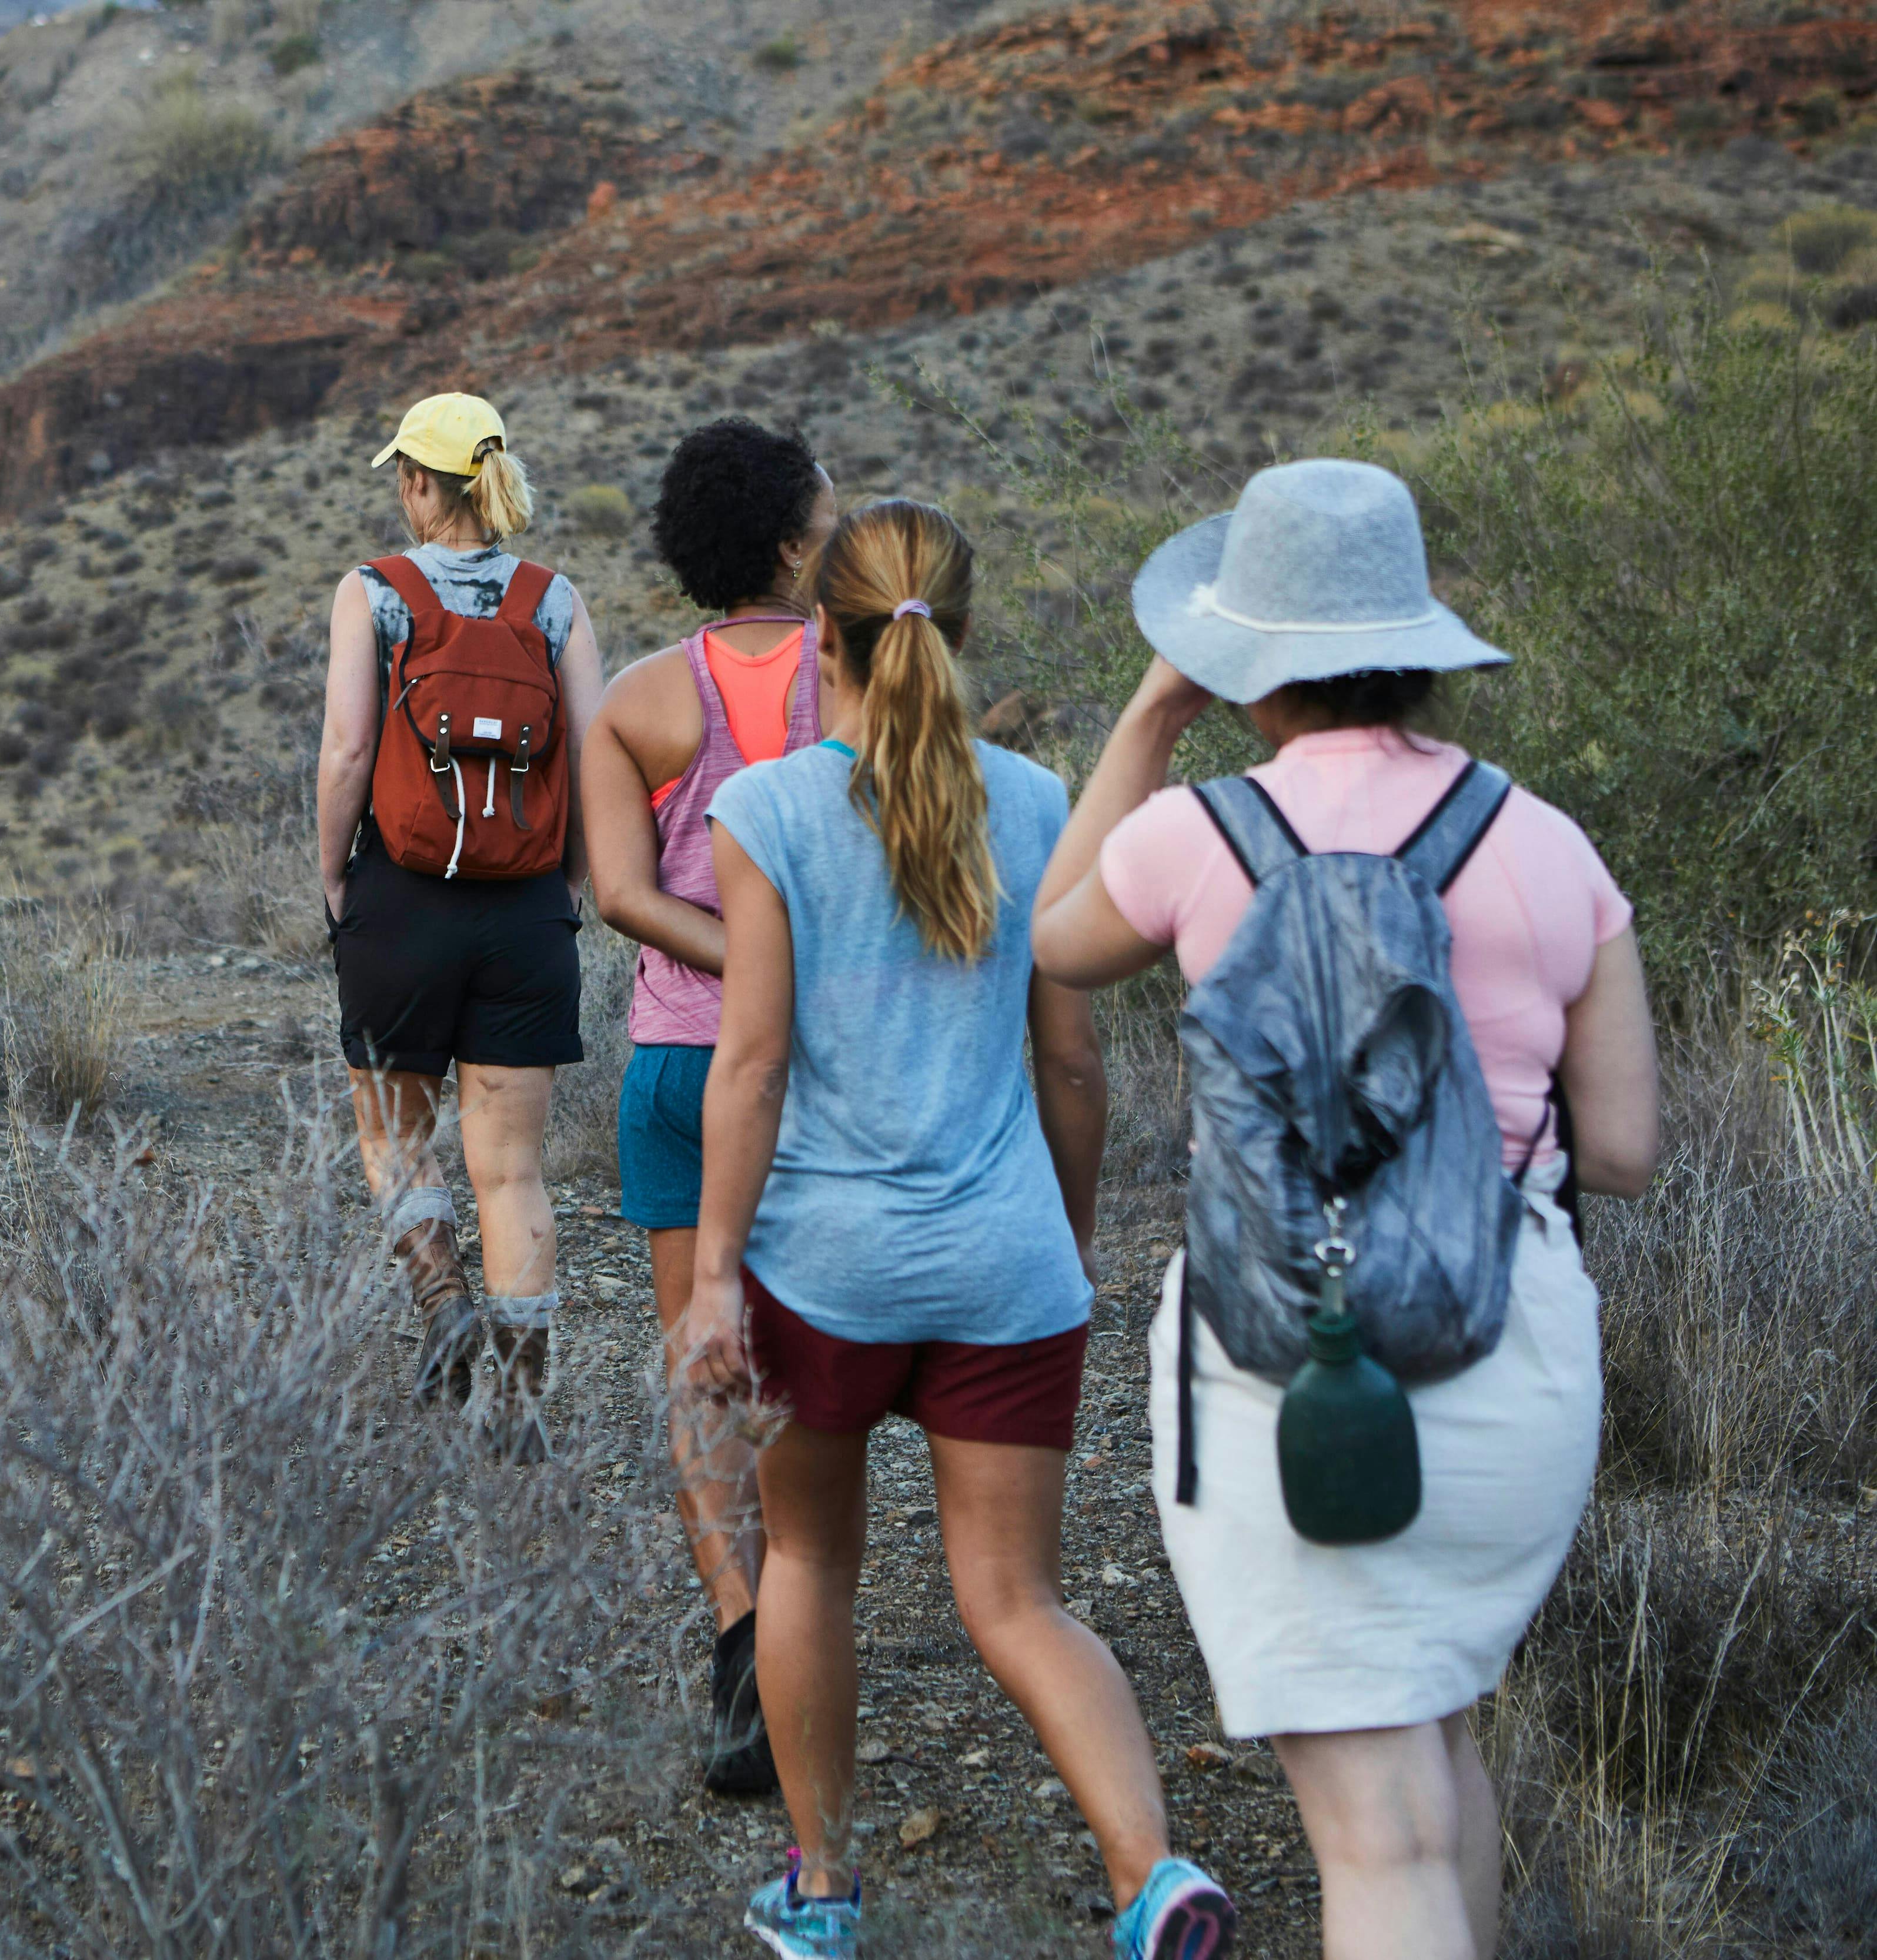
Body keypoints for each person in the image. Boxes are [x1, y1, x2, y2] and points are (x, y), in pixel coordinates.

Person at [1031, 459, 1660, 1960]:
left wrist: (1148, 716)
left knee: (1375, 1835)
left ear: (1249, 659)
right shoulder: (1550, 841)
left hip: (1284, 1367)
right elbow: (1625, 1147)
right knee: (1435, 1764)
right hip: (1507, 1351)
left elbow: (1053, 939)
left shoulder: (1202, 834)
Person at [676, 498, 1234, 1960]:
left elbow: (750, 1063)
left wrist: (715, 1275)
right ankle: (1151, 1876)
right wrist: (1057, 1238)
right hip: (1003, 1265)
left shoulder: (769, 810)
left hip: (826, 1271)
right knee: (1019, 1598)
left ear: (822, 644)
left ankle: (824, 1890)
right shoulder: (1044, 803)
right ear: (963, 637)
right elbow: (1073, 1060)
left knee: (808, 1566)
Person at [581, 417, 835, 1797]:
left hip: (676, 1065)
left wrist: (722, 952)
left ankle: (739, 1634)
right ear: (792, 543)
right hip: (809, 1072)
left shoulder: (634, 699)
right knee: (801, 1363)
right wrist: (787, 961)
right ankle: (803, 1624)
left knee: (700, 1358)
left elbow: (617, 894)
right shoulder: (859, 680)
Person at [317, 392, 607, 1463]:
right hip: (526, 913)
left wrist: (335, 879)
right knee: (514, 1171)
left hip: (402, 898)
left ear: (419, 484)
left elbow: (348, 754)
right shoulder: (554, 600)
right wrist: (567, 887)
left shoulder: (374, 593)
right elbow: (595, 753)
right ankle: (523, 1411)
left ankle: (440, 1294)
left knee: (394, 1133)